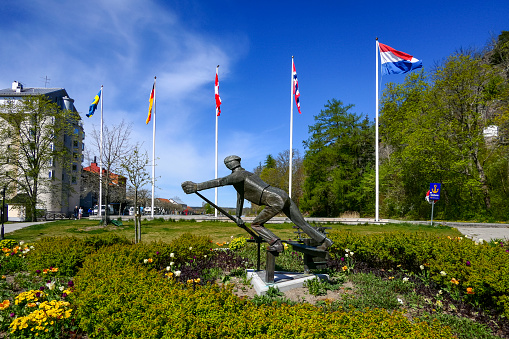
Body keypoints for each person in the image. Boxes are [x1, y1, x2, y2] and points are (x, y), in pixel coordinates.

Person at [182, 155, 333, 254]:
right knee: (302, 224)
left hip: (272, 199)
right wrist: (238, 216)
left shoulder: (238, 176)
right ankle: (325, 241)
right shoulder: (245, 176)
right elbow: (240, 198)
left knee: (256, 225)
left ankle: (276, 243)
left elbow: (219, 182)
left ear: (229, 165)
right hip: (281, 195)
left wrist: (197, 187)